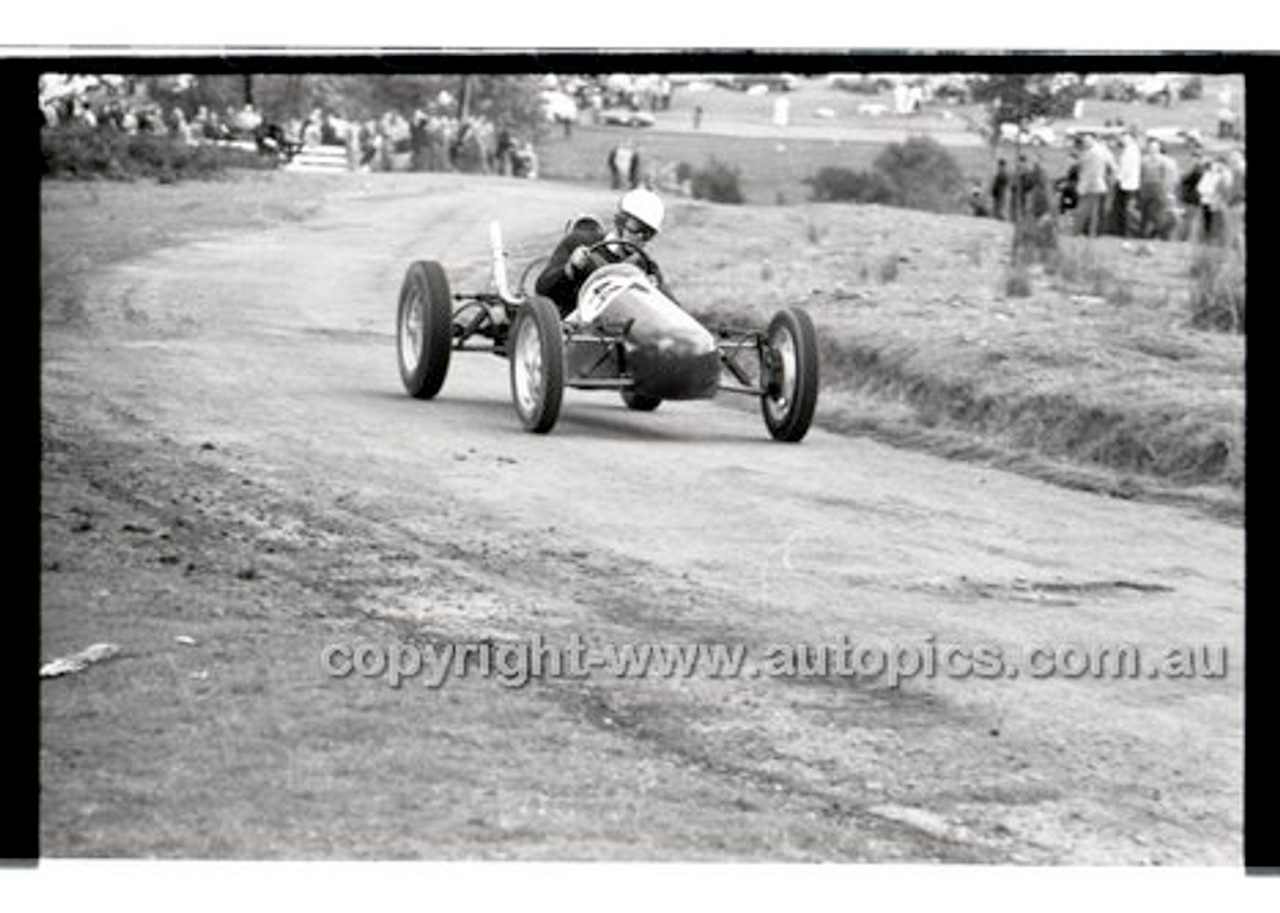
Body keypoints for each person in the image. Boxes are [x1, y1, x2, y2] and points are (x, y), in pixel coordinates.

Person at [535, 188, 669, 318]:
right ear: (620, 222)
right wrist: (569, 270)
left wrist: (656, 294)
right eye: (636, 227)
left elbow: (675, 312)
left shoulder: (647, 267)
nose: (640, 237)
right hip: (570, 326)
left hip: (621, 332)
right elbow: (542, 288)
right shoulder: (579, 241)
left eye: (648, 234)